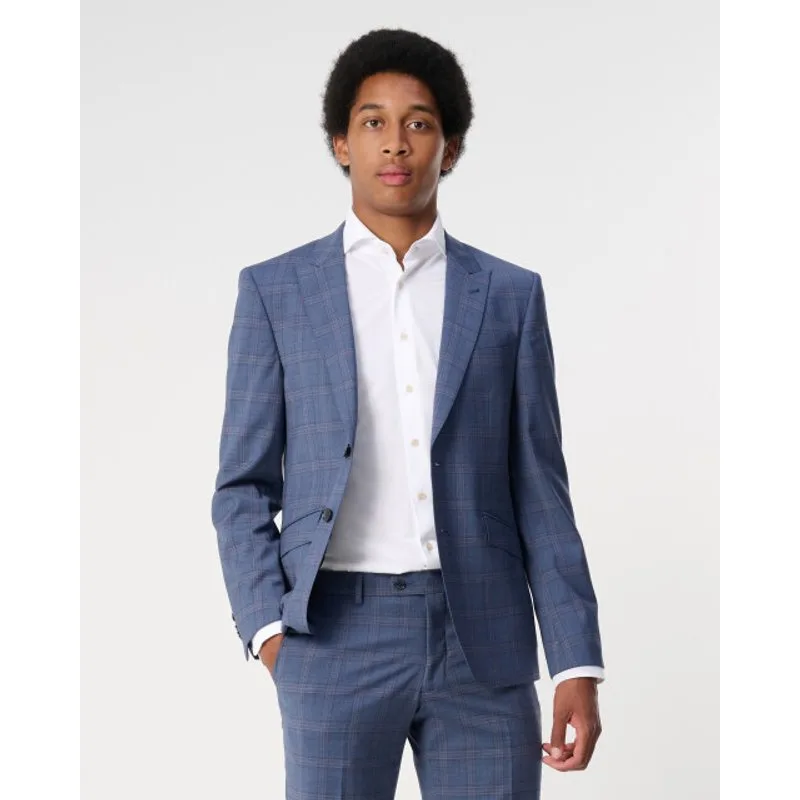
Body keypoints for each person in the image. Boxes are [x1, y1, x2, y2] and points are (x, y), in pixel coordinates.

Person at [212, 27, 604, 799]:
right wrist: (269, 631)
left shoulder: (510, 296)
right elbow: (243, 487)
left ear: (449, 148)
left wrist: (576, 660)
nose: (396, 142)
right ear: (341, 144)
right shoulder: (276, 292)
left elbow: (540, 489)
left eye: (418, 123)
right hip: (332, 633)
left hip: (482, 639)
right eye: (374, 122)